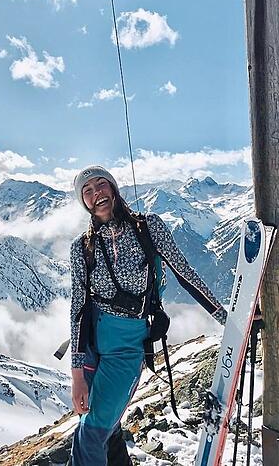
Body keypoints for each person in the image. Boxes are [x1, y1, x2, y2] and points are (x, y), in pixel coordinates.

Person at [68, 165, 228, 466]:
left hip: (127, 346)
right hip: (91, 346)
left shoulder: (148, 227)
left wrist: (225, 317)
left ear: (113, 188)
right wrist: (77, 376)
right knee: (106, 427)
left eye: (101, 184)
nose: (96, 193)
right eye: (87, 191)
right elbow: (78, 307)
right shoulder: (82, 247)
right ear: (84, 202)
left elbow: (184, 273)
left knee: (91, 432)